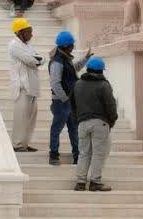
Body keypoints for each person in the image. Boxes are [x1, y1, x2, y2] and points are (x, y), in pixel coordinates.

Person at [73, 56, 117, 192]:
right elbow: (111, 105)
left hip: (82, 123)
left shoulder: (78, 84)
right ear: (101, 71)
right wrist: (111, 120)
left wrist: (78, 120)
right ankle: (95, 182)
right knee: (98, 153)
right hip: (100, 123)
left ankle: (80, 182)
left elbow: (73, 105)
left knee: (83, 153)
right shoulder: (104, 85)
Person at [48, 31, 90, 165]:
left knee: (73, 128)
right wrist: (65, 99)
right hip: (61, 102)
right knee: (57, 128)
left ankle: (77, 155)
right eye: (71, 45)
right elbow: (55, 83)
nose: (73, 47)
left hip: (70, 100)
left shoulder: (65, 59)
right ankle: (53, 155)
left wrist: (85, 59)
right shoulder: (57, 62)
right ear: (66, 46)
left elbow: (74, 69)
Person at [8, 18, 45, 153]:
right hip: (22, 87)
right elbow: (30, 60)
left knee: (30, 118)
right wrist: (37, 60)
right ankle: (17, 144)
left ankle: (24, 143)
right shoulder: (14, 45)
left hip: (33, 86)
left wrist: (37, 60)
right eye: (29, 31)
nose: (31, 34)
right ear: (20, 32)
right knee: (21, 116)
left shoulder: (29, 46)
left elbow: (42, 59)